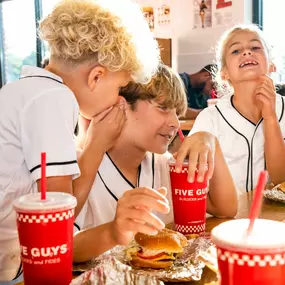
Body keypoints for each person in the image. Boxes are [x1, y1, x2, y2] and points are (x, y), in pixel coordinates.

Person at [0, 0, 160, 281]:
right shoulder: (53, 98)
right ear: (96, 76)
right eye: (119, 87)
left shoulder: (24, 90)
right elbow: (57, 217)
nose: (119, 97)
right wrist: (97, 145)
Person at [73, 64, 237, 262]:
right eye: (163, 108)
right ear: (122, 105)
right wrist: (114, 230)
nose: (175, 123)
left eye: (176, 112)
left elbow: (225, 209)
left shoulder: (161, 162)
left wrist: (211, 142)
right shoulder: (81, 164)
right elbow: (65, 247)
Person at [190, 24, 285, 194]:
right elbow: (195, 181)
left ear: (271, 64)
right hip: (226, 217)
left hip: (276, 217)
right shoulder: (210, 118)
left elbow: (281, 179)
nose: (247, 52)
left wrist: (270, 116)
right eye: (235, 51)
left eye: (255, 47)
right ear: (224, 73)